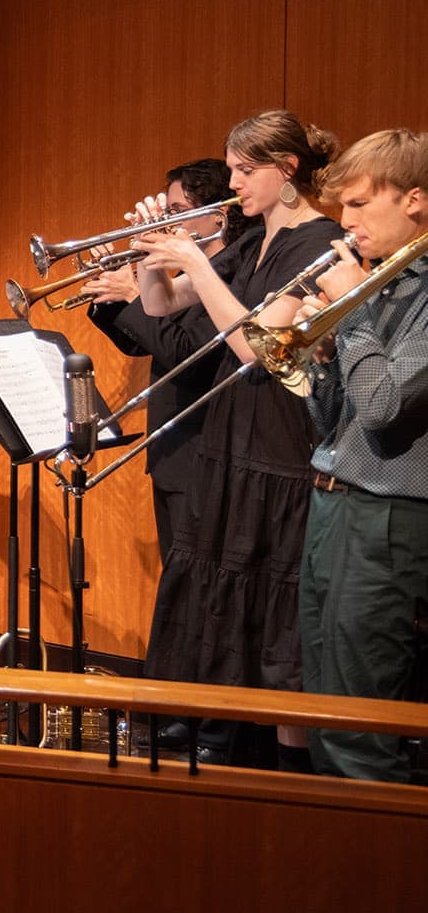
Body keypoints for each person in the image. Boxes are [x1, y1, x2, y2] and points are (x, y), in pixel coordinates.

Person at [133, 110, 342, 767]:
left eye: (245, 171)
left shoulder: (320, 242)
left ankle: (291, 776)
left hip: (281, 452)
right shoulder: (252, 242)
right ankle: (232, 770)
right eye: (231, 170)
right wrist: (152, 252)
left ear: (287, 169)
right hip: (229, 446)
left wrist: (197, 259)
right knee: (221, 614)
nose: (233, 184)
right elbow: (163, 305)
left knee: (279, 629)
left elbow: (257, 346)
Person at [295, 129, 428, 782]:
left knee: (360, 729)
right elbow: (337, 424)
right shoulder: (385, 285)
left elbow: (383, 410)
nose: (344, 222)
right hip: (332, 505)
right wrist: (322, 358)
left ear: (414, 200)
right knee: (323, 709)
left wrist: (351, 314)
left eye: (357, 204)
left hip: (386, 517)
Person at [82, 158, 237, 559]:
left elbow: (184, 353)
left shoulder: (227, 279)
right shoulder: (186, 277)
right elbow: (141, 344)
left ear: (218, 217)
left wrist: (133, 296)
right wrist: (111, 298)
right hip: (173, 454)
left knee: (195, 580)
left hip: (202, 455)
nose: (167, 223)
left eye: (178, 212)